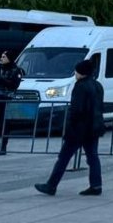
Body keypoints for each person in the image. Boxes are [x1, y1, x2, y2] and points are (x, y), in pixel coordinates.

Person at [35, 56, 103, 197]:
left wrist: (69, 126)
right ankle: (96, 185)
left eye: (77, 71)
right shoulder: (97, 86)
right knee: (93, 157)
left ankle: (51, 185)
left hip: (79, 129)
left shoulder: (80, 86)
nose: (75, 74)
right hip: (93, 127)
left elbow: (76, 110)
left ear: (82, 73)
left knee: (64, 157)